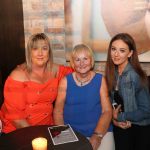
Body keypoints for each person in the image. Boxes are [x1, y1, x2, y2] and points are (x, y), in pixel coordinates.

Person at [0, 33, 73, 134]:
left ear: (49, 52)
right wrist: (37, 137)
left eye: (44, 48)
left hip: (47, 127)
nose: (40, 53)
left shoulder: (55, 69)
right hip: (20, 130)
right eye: (35, 49)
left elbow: (78, 73)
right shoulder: (17, 76)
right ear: (29, 52)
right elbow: (17, 118)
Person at [54, 44, 115, 150]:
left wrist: (97, 136)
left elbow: (107, 111)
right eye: (77, 60)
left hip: (101, 131)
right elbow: (58, 111)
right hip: (72, 133)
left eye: (85, 59)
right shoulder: (65, 81)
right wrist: (64, 134)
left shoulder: (100, 80)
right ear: (73, 63)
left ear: (91, 61)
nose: (81, 63)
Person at [105, 33, 150, 150]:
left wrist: (121, 117)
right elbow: (111, 104)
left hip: (139, 129)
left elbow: (146, 111)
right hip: (120, 126)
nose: (116, 54)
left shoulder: (136, 76)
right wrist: (115, 121)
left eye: (122, 50)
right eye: (113, 49)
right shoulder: (112, 73)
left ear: (130, 53)